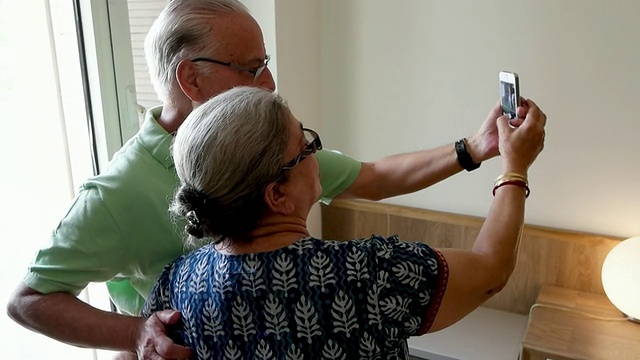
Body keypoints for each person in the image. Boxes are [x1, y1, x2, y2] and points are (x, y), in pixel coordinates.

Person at [7, 0, 508, 358]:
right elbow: (29, 301)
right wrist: (138, 334)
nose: (269, 82)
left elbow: (373, 176)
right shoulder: (115, 196)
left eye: (265, 64)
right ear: (191, 79)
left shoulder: (267, 148)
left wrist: (473, 148)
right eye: (251, 68)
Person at [142, 86, 546, 359]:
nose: (316, 154)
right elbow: (490, 269)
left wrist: (476, 148)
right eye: (305, 147)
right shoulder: (368, 274)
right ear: (277, 195)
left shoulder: (174, 286)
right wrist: (515, 166)